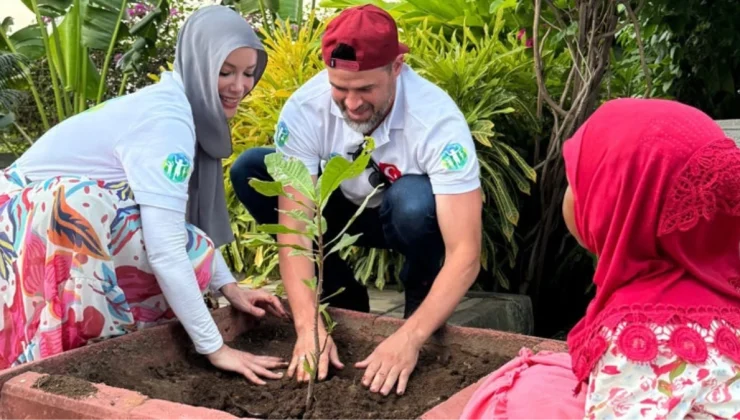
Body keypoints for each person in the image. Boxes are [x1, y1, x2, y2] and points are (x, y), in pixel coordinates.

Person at [0, 5, 289, 385]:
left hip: (31, 220)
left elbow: (184, 222)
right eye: (225, 72)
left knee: (175, 236)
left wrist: (230, 287)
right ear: (199, 66)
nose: (240, 86)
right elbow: (167, 246)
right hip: (21, 222)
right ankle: (69, 361)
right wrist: (215, 347)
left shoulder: (180, 107)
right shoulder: (167, 122)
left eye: (249, 73)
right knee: (98, 209)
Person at [229, 4, 483, 396]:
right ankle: (343, 295)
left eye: (366, 89)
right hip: (342, 213)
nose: (351, 104)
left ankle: (419, 317)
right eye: (340, 88)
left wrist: (410, 337)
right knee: (252, 167)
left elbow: (465, 251)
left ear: (397, 67)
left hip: (406, 218)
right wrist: (307, 325)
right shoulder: (304, 109)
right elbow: (295, 231)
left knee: (415, 202)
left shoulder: (437, 122)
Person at [461, 98, 740, 419]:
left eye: (578, 180)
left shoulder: (639, 337)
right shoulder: (723, 291)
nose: (567, 192)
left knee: (517, 397)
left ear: (618, 205)